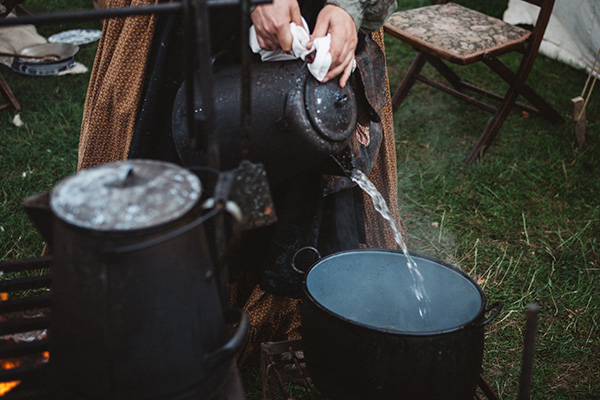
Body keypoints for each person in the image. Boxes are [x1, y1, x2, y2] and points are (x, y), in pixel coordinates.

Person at [77, 0, 404, 364]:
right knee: (194, 161)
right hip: (201, 19)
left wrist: (347, 9)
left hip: (320, 24)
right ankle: (173, 313)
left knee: (302, 149)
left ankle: (287, 304)